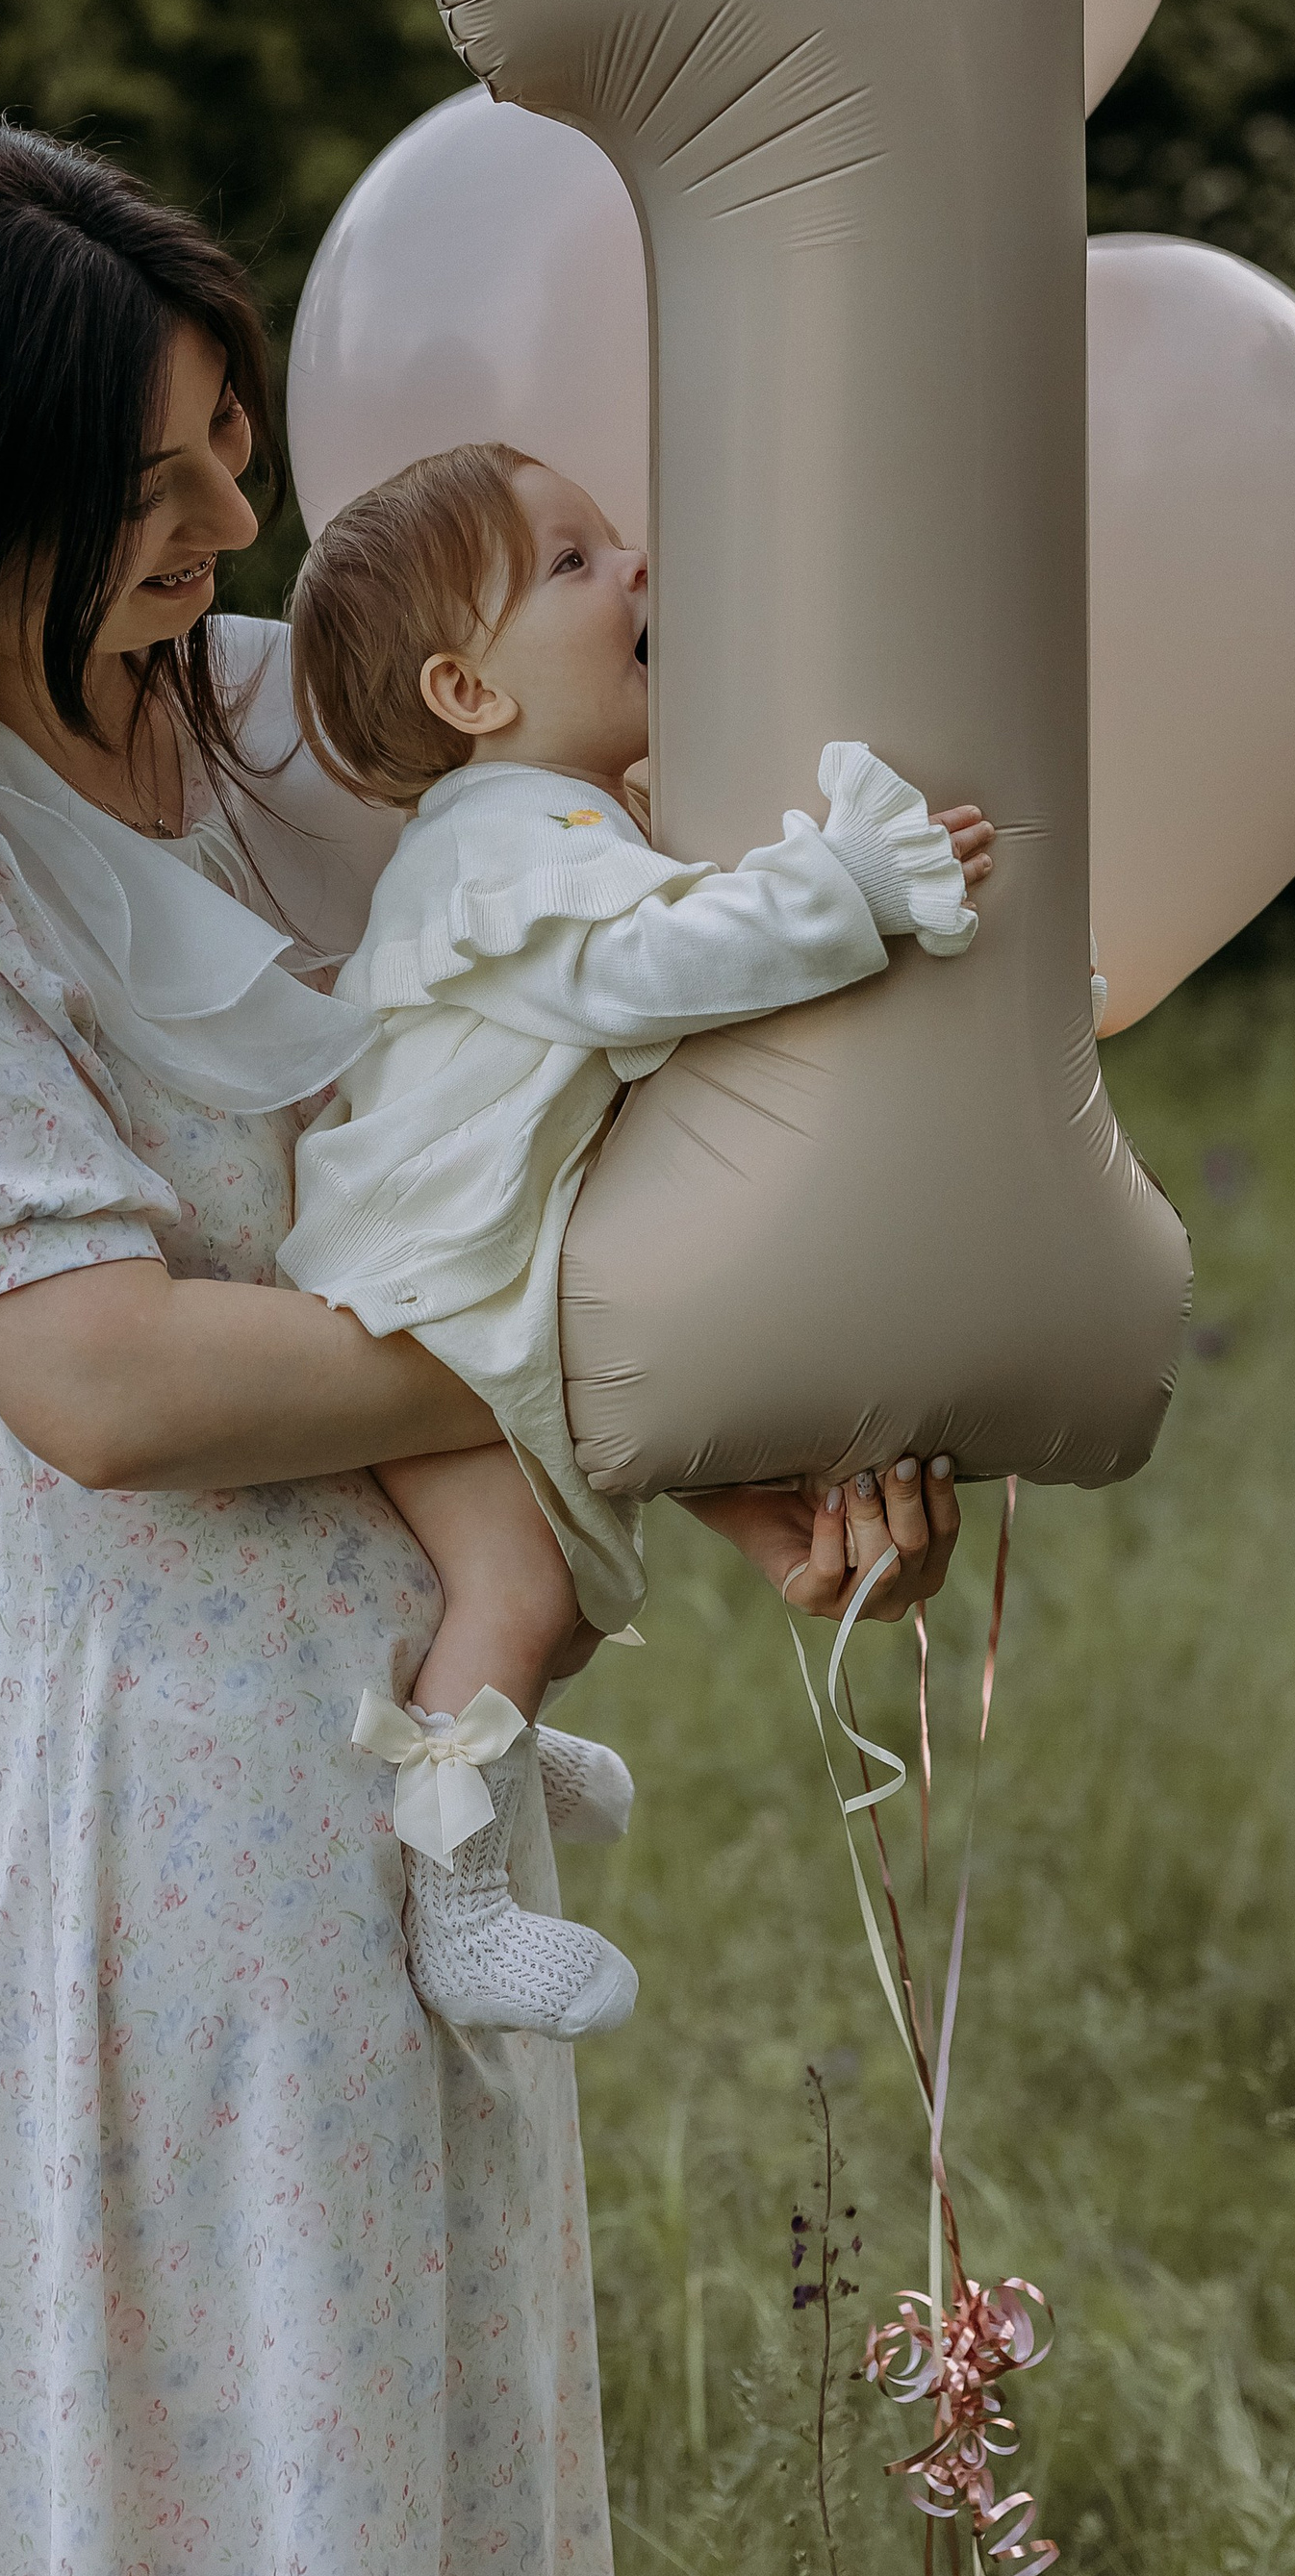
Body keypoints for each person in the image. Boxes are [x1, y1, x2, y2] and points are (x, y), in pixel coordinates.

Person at [0, 112, 965, 2576]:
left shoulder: (301, 728)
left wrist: (753, 1450)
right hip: (140, 1785)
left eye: (230, 444)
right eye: (150, 487)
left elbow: (516, 1135)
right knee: (190, 2429)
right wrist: (642, 1375)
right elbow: (111, 1382)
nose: (231, 524)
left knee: (406, 2420)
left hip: (414, 1729)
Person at [277, 442, 994, 2043]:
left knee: (562, 1580)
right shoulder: (501, 841)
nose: (638, 567)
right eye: (574, 562)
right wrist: (851, 887)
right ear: (470, 690)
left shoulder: (555, 818)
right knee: (516, 1581)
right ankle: (458, 1900)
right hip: (413, 1291)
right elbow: (649, 973)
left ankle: (504, 1734)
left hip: (463, 1264)